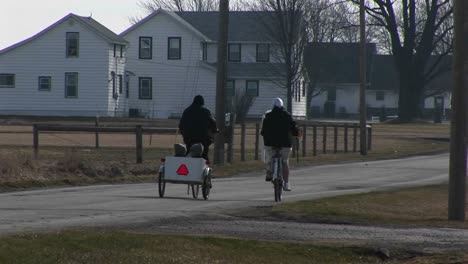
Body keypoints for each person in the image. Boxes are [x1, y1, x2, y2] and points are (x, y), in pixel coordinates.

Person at [261, 97, 299, 191]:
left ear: (273, 106)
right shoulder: (287, 116)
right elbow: (294, 130)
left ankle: (269, 172)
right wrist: (296, 134)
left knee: (270, 158)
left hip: (270, 143)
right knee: (285, 162)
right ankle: (286, 183)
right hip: (285, 143)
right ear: (282, 106)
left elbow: (263, 131)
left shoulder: (268, 116)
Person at [178, 95, 218, 161]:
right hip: (202, 139)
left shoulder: (186, 111)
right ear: (202, 102)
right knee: (204, 154)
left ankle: (189, 165)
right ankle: (204, 163)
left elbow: (181, 125)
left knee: (188, 151)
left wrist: (184, 134)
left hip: (188, 139)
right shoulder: (206, 111)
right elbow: (213, 123)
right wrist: (215, 130)